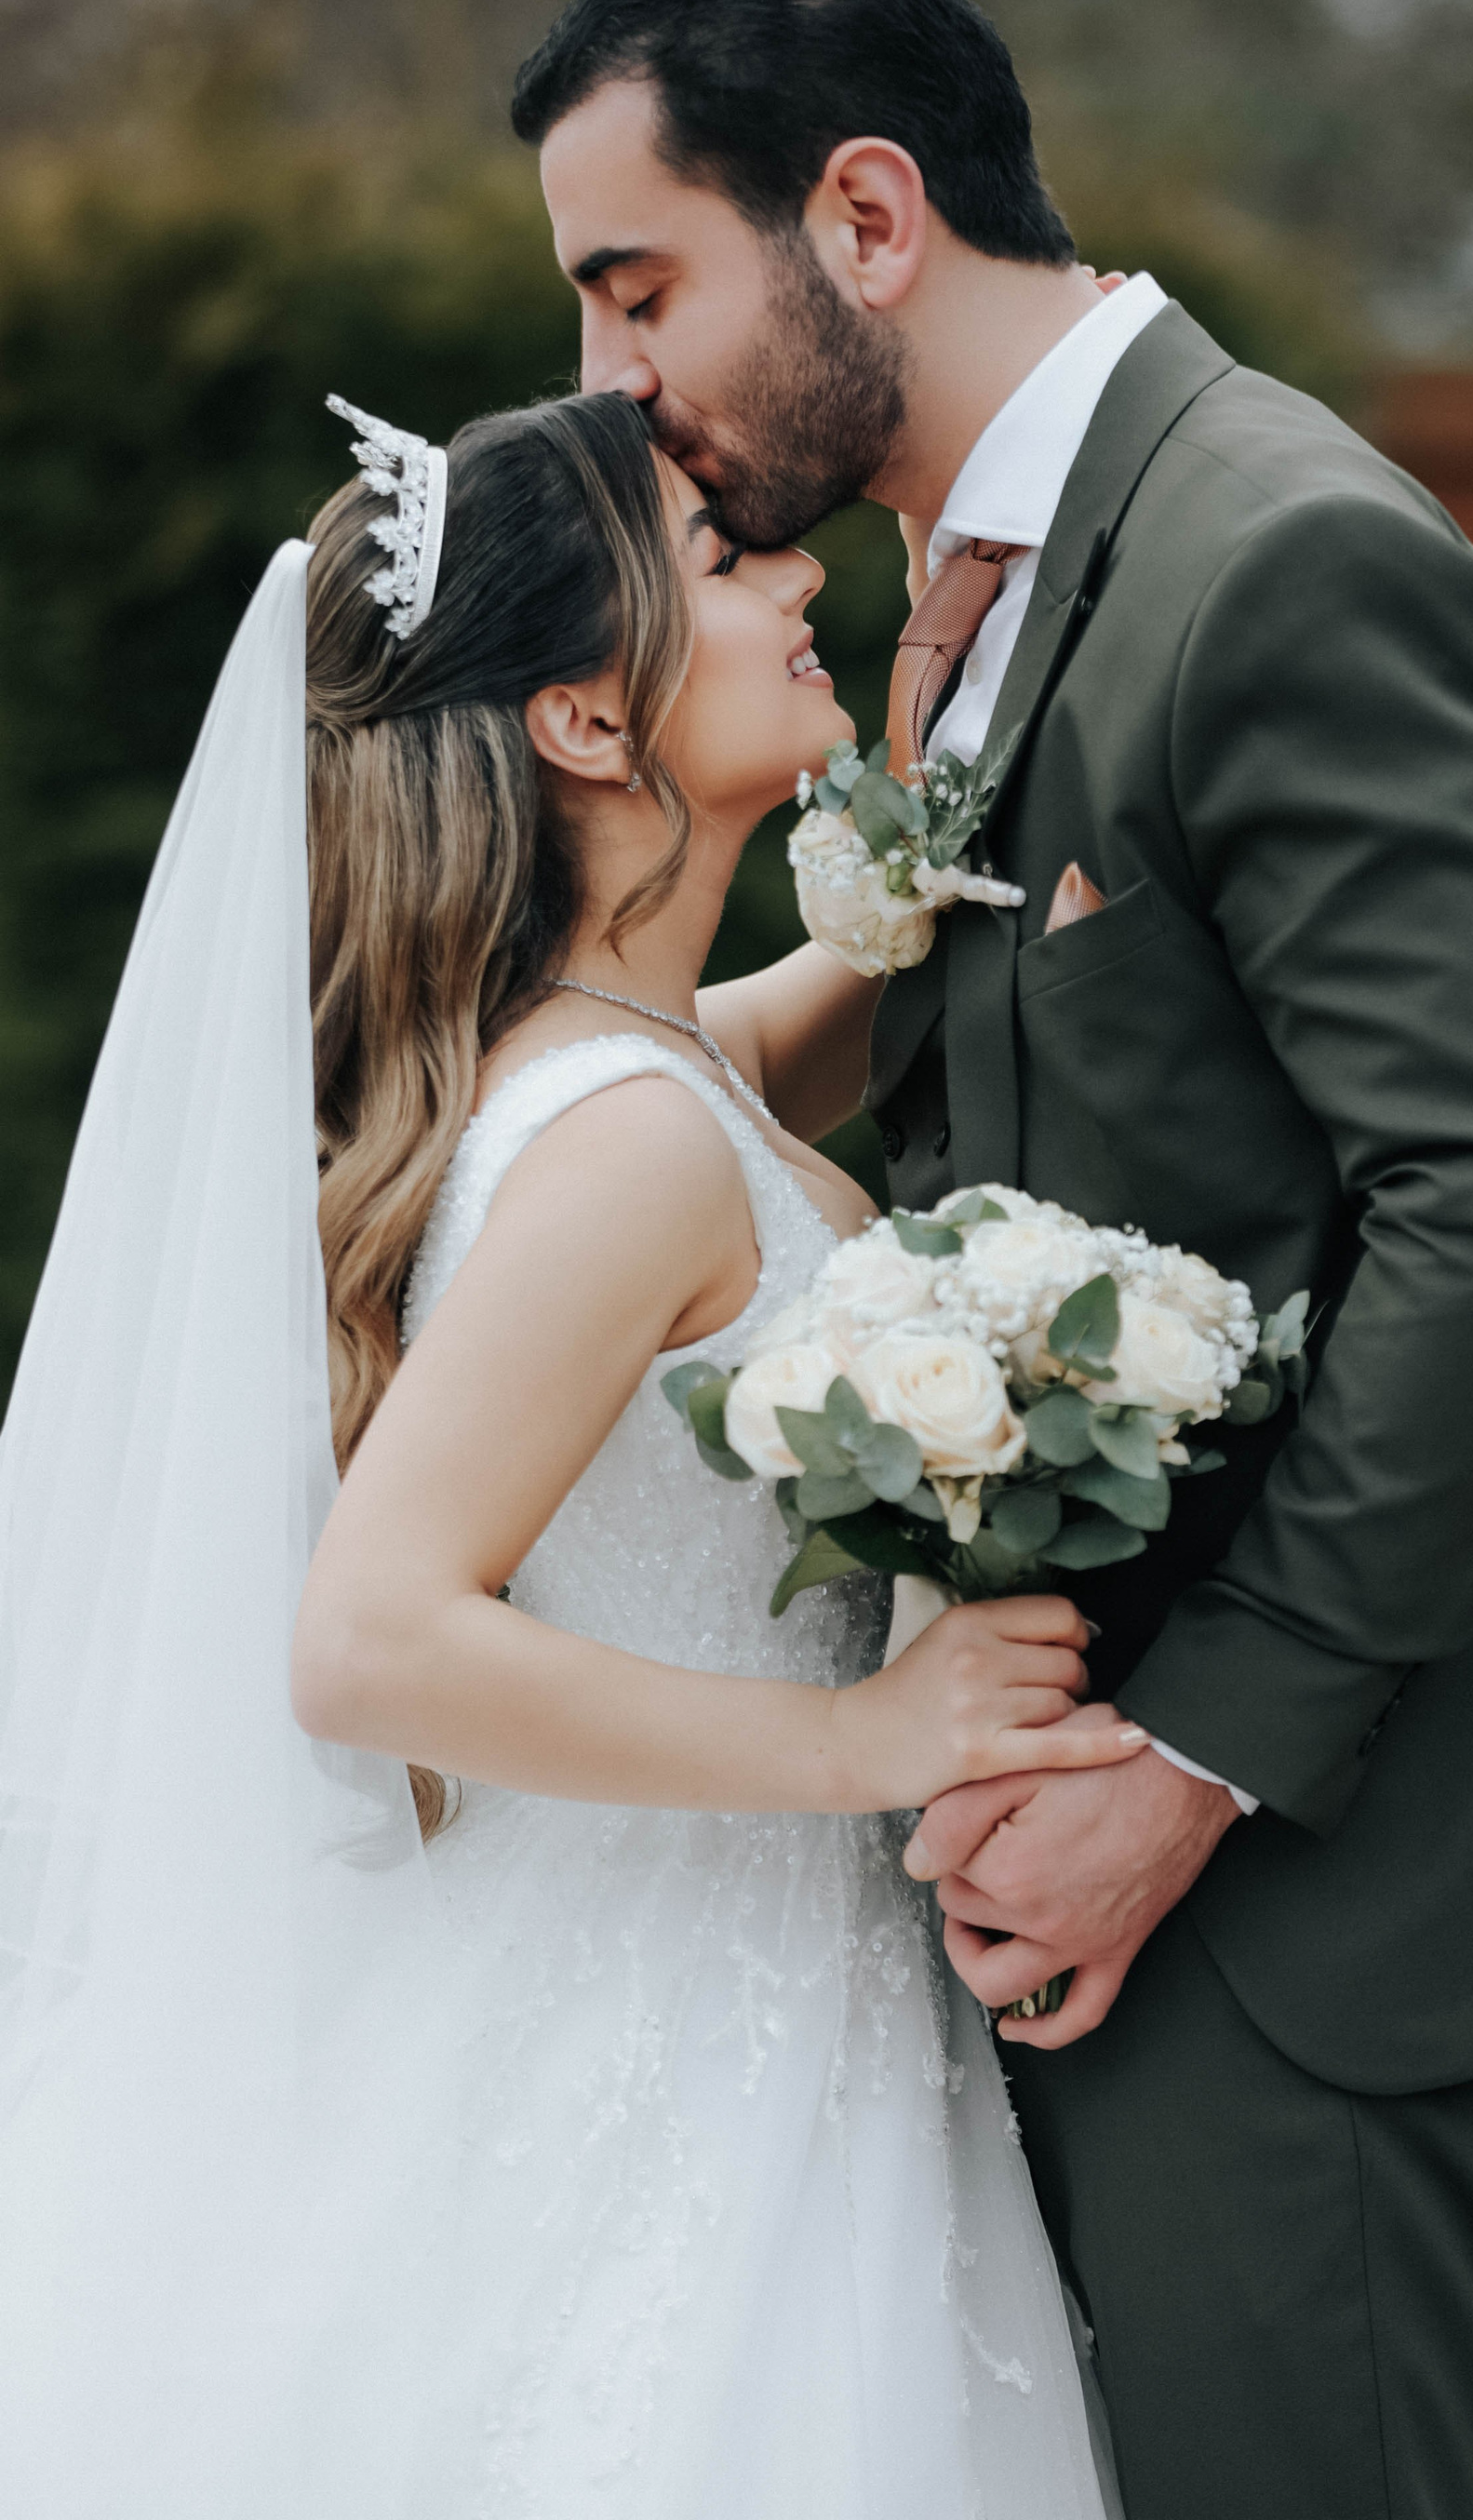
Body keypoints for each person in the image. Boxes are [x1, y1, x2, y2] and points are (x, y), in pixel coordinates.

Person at [511, 0, 1473, 2518]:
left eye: (640, 292)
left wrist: (1193, 1766)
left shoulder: (1277, 553)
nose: (613, 383)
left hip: (1317, 1878)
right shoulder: (970, 604)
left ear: (868, 215)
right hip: (1079, 1859)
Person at [0, 386, 1132, 2514]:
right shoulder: (628, 1144)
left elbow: (831, 998)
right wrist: (865, 1739)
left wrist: (965, 735)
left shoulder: (627, 1066)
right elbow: (369, 1644)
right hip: (688, 2039)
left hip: (706, 1987)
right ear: (587, 722)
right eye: (726, 557)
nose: (798, 570)